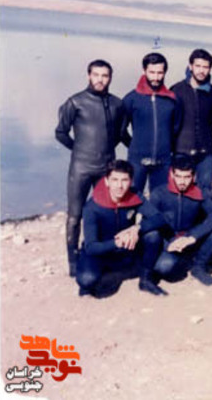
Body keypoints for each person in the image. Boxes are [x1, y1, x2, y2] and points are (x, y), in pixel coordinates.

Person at [55, 59, 129, 277]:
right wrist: (78, 149)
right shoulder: (75, 102)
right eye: (96, 75)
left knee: (105, 212)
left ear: (110, 78)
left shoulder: (117, 104)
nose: (100, 80)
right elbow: (60, 133)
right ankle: (73, 261)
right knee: (75, 215)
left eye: (105, 76)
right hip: (81, 167)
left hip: (106, 169)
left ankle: (102, 255)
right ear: (89, 75)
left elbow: (120, 134)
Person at [75, 160, 167, 297]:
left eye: (124, 180)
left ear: (131, 181)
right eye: (115, 180)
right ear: (107, 181)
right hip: (103, 250)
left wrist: (137, 228)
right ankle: (97, 269)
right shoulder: (92, 207)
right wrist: (117, 243)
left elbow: (160, 218)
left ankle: (146, 280)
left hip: (127, 249)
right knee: (87, 280)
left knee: (153, 235)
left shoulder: (134, 195)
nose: (119, 186)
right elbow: (91, 247)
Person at [145, 156, 212, 287]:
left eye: (187, 177)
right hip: (168, 239)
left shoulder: (200, 192)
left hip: (189, 237)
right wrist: (168, 243)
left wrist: (192, 237)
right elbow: (149, 223)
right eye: (179, 176)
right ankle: (167, 263)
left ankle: (198, 267)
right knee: (165, 267)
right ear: (172, 174)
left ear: (193, 176)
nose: (182, 182)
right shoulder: (159, 193)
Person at [123, 52, 182, 194]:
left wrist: (167, 148)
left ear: (165, 72)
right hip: (137, 161)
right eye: (152, 72)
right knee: (132, 199)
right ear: (144, 71)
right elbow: (121, 130)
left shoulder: (172, 100)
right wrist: (135, 146)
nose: (156, 77)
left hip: (163, 161)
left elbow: (176, 128)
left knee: (160, 201)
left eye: (160, 73)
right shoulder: (132, 99)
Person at [170, 49, 212, 195]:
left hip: (206, 152)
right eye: (198, 66)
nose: (201, 71)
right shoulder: (176, 90)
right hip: (181, 150)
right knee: (178, 192)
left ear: (210, 69)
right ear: (190, 66)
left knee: (205, 192)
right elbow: (172, 123)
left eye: (205, 67)